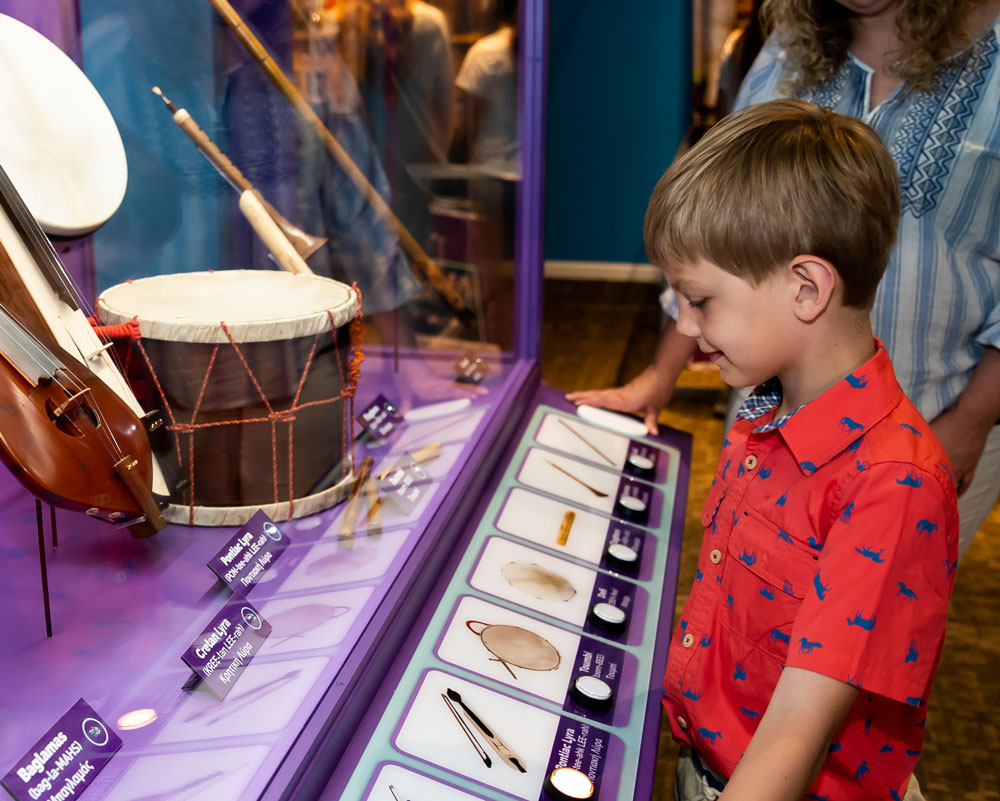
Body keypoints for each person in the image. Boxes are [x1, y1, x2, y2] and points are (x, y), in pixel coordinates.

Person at [568, 0, 1000, 561]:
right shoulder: (788, 47)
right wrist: (662, 372)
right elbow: (714, 241)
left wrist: (971, 421)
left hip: (936, 410)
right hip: (771, 413)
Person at [647, 99, 958, 801]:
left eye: (700, 300)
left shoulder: (893, 485)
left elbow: (796, 732)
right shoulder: (766, 413)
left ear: (807, 287)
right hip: (707, 765)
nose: (687, 325)